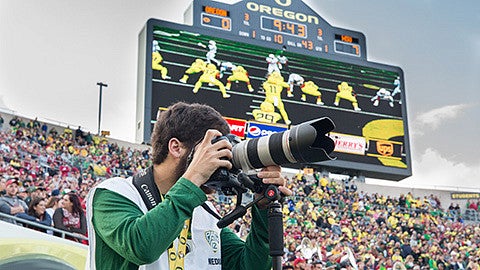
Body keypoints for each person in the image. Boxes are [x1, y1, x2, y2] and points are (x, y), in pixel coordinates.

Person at [86, 102, 292, 269]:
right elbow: (142, 247)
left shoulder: (205, 212)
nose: (222, 162)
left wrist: (263, 210)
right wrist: (195, 176)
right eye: (212, 151)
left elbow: (248, 266)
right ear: (176, 147)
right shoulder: (114, 193)